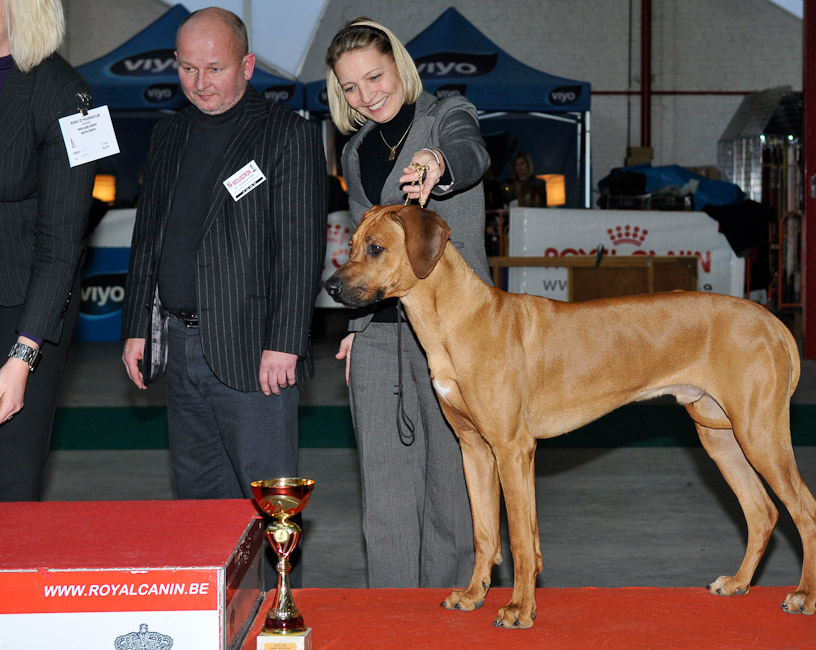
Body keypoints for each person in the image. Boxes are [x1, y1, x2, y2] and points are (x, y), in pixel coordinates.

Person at [120, 6, 326, 584]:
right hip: (180, 348)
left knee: (269, 511)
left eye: (214, 69)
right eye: (187, 69)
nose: (199, 83)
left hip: (256, 350)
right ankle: (211, 624)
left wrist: (285, 342)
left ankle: (274, 621)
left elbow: (300, 248)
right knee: (199, 507)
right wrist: (138, 324)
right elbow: (149, 237)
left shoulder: (288, 134)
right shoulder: (167, 134)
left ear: (248, 66)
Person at [326, 17, 491, 588]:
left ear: (398, 64)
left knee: (453, 489)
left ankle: (451, 615)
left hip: (456, 338)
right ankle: (388, 620)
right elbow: (362, 256)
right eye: (350, 87)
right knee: (386, 498)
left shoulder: (446, 115)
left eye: (374, 76)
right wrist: (356, 326)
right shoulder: (353, 151)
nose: (366, 94)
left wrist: (439, 165)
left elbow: (471, 153)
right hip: (379, 340)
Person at [0, 0, 97, 501]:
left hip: (23, 314)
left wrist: (21, 359)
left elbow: (62, 245)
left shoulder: (67, 91)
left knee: (10, 483)